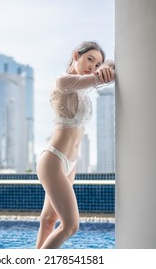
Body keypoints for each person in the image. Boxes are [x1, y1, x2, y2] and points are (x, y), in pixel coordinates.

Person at [35, 41, 115, 249]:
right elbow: (99, 79)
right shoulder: (63, 81)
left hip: (70, 162)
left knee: (49, 221)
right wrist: (104, 71)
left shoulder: (82, 90)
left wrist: (107, 67)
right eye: (90, 59)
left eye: (98, 64)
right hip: (54, 159)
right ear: (75, 55)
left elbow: (105, 74)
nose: (93, 66)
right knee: (70, 226)